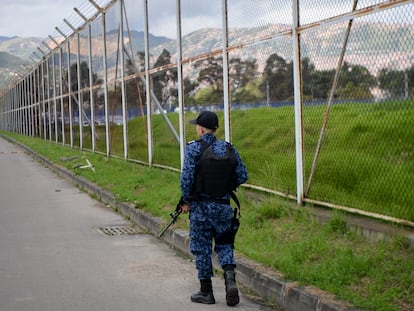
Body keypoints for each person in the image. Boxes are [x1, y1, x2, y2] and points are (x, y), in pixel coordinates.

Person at [180, 110, 248, 306]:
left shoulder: (193, 149)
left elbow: (186, 180)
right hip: (224, 207)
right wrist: (226, 186)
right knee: (225, 244)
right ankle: (229, 280)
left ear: (201, 129)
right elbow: (243, 175)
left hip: (201, 209)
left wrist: (187, 200)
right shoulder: (229, 148)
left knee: (202, 248)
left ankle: (206, 292)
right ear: (215, 128)